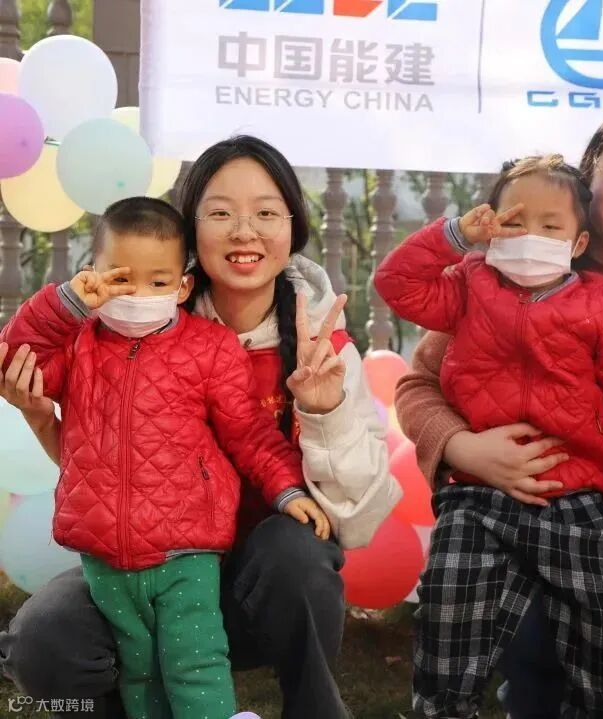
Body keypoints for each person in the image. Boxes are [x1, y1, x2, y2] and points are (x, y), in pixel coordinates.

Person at [0, 135, 401, 719]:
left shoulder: (313, 348)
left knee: (295, 557)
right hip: (130, 560)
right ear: (191, 231)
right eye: (220, 213)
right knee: (44, 640)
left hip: (243, 583)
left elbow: (335, 503)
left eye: (266, 213)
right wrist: (41, 411)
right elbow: (110, 458)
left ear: (293, 225)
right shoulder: (111, 335)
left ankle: (314, 705)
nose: (244, 232)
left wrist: (323, 412)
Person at [394, 102, 603, 719]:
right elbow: (419, 385)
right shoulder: (506, 274)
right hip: (529, 523)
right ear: (591, 173)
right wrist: (464, 448)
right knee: (514, 649)